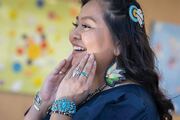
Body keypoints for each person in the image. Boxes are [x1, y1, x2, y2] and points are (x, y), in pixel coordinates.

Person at [24, 0, 174, 120]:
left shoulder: (132, 104)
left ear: (119, 43)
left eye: (86, 26)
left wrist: (63, 107)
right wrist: (44, 102)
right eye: (76, 25)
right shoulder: (78, 91)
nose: (73, 35)